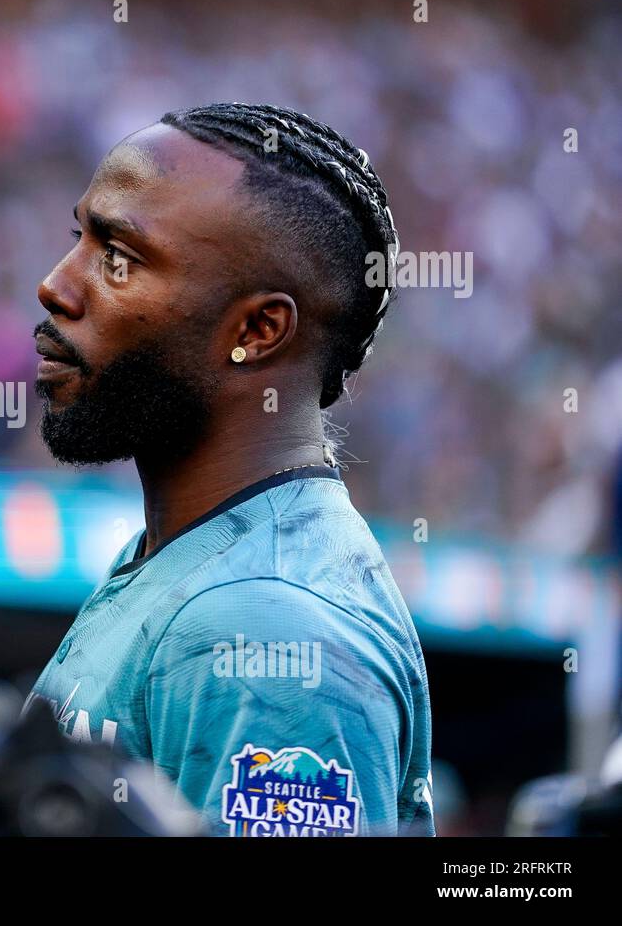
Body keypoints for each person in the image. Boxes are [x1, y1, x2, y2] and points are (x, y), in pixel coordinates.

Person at [26, 103, 433, 836]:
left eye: (118, 257)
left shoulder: (261, 625)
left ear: (257, 330)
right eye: (78, 237)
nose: (56, 286)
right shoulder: (191, 557)